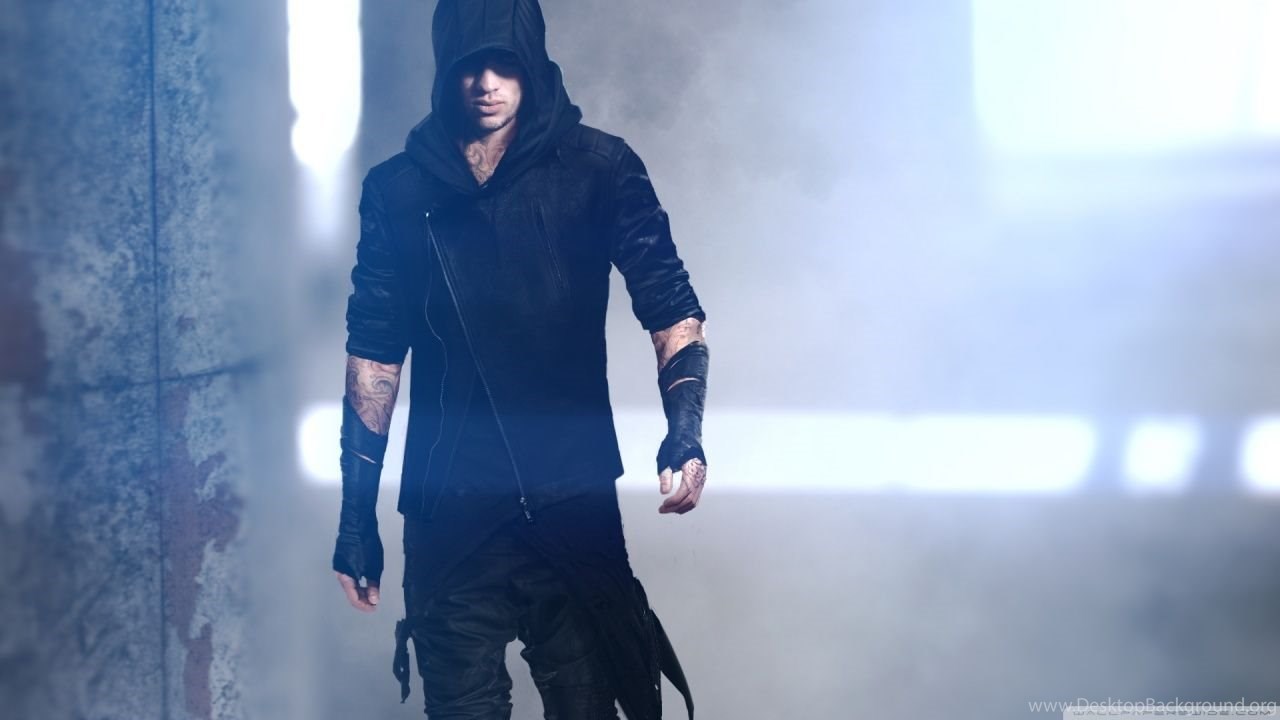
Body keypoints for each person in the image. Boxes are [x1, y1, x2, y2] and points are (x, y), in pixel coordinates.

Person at [332, 0, 709, 717]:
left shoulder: (599, 168)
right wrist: (356, 517)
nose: (486, 83)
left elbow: (671, 308)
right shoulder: (397, 189)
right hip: (449, 512)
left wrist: (684, 431)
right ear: (445, 68)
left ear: (532, 64)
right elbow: (374, 354)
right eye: (469, 64)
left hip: (570, 500)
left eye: (504, 63)